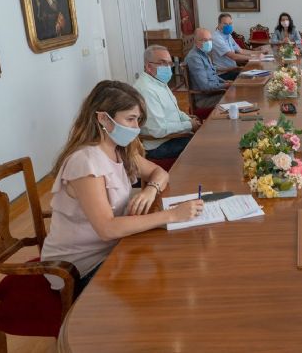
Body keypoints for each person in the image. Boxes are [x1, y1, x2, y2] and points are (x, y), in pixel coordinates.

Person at [41, 80, 203, 296]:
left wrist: (150, 189)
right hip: (78, 268)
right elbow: (107, 229)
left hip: (114, 249)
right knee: (164, 288)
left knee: (174, 267)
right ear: (103, 119)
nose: (136, 128)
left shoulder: (119, 149)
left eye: (138, 120)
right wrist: (172, 215)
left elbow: (160, 173)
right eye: (130, 119)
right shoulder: (85, 162)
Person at [134, 45, 201, 159]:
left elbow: (176, 112)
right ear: (149, 66)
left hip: (172, 136)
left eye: (169, 63)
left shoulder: (159, 82)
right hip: (159, 145)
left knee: (205, 138)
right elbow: (158, 130)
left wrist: (189, 120)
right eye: (162, 63)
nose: (168, 67)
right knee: (202, 145)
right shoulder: (146, 90)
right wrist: (189, 125)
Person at [185, 28, 232, 108]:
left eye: (210, 39)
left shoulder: (204, 53)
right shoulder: (194, 57)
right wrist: (225, 85)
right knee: (237, 98)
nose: (208, 42)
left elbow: (213, 75)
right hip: (205, 99)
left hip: (215, 93)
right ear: (195, 41)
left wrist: (226, 82)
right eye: (204, 40)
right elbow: (205, 87)